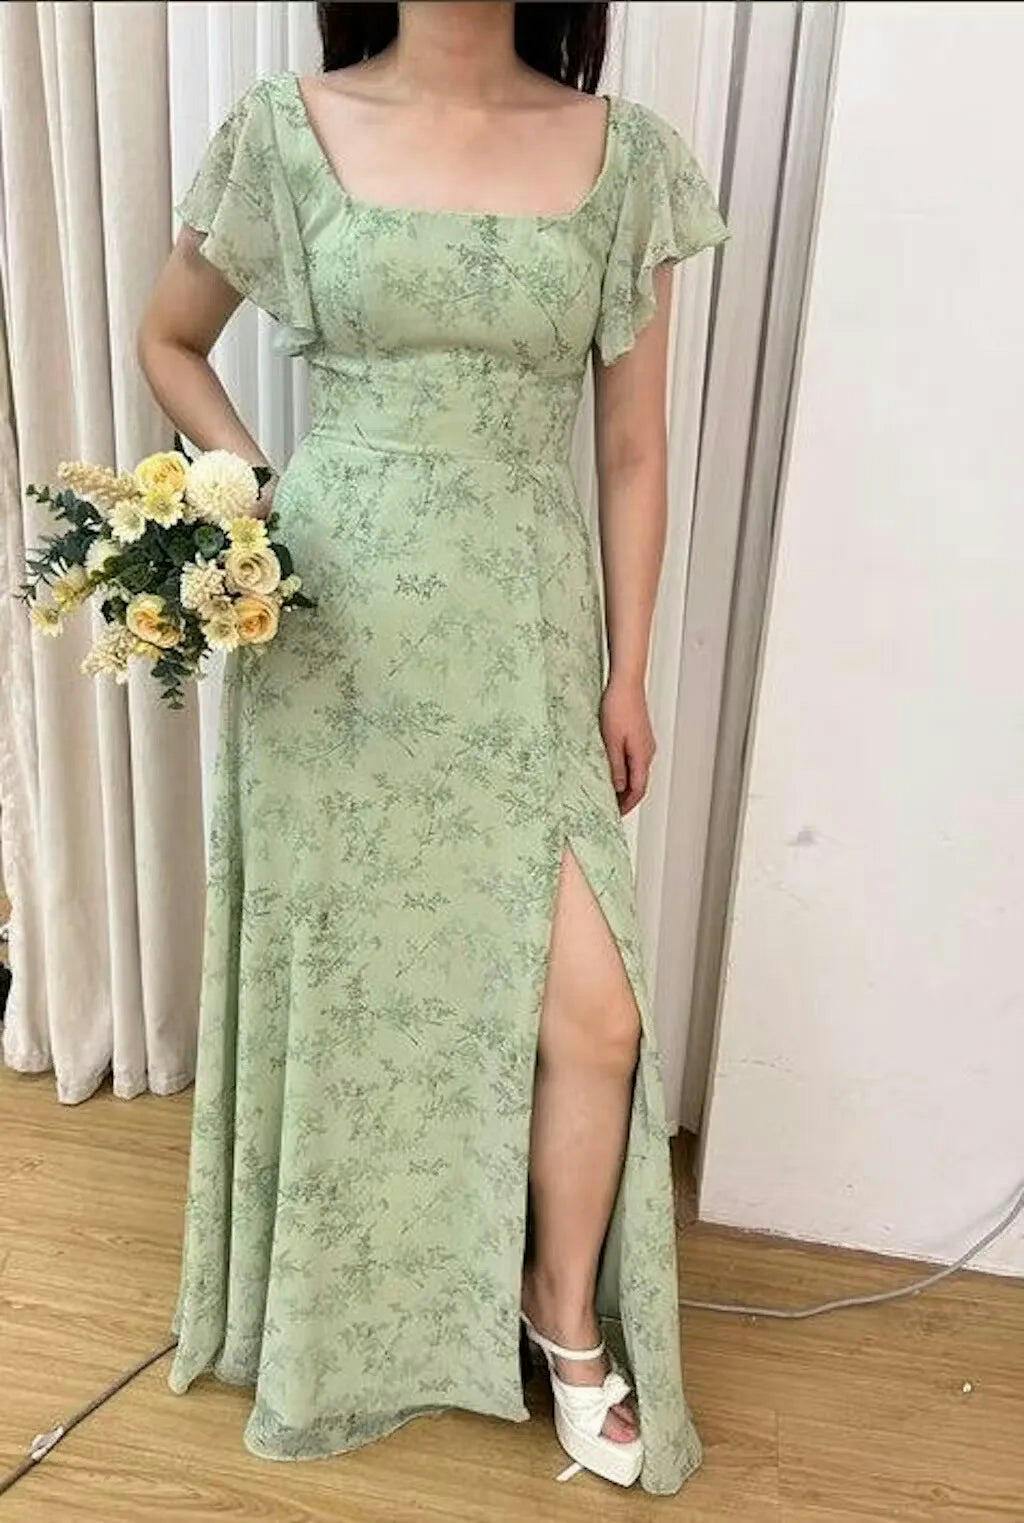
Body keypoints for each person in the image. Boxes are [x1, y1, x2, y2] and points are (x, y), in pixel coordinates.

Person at [137, 0, 727, 1494]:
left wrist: (630, 670)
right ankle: (342, 1315)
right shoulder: (284, 132)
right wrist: (255, 497)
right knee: (357, 990)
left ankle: (558, 1309)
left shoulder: (625, 157)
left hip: (525, 635)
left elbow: (634, 447)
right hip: (335, 635)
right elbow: (170, 339)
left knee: (594, 1013)